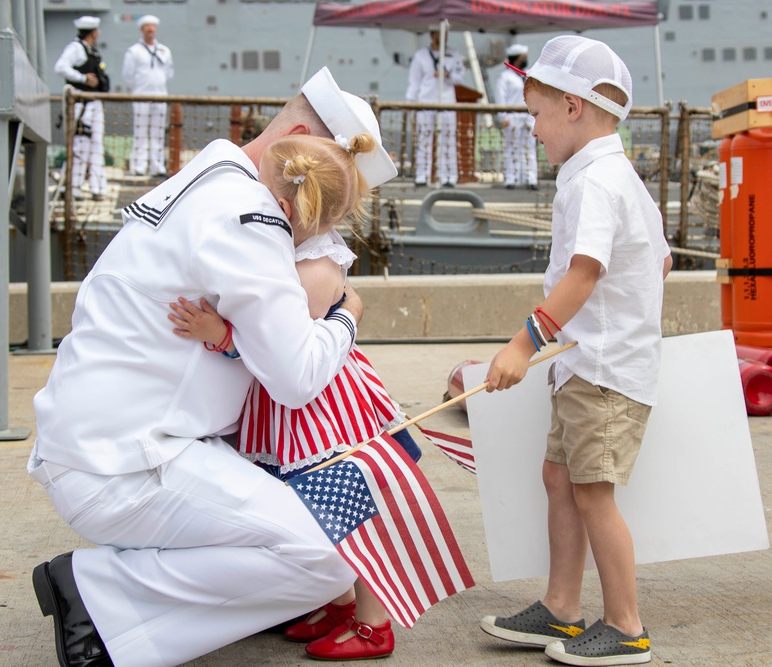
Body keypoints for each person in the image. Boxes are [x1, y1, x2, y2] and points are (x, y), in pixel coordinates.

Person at [28, 66, 398, 667]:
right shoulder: (250, 215)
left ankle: (116, 604)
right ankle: (97, 593)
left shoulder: (213, 173)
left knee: (307, 539)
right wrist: (346, 317)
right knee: (329, 556)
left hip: (103, 444)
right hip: (131, 462)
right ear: (298, 141)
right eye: (321, 200)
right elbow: (297, 377)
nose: (320, 222)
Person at [167, 134, 422, 661]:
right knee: (314, 503)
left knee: (348, 503)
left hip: (324, 410)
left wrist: (222, 336)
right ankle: (337, 601)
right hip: (303, 403)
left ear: (281, 207)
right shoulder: (312, 256)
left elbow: (285, 355)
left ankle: (375, 622)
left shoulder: (312, 271)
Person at [477, 36, 672, 667]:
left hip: (603, 369)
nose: (529, 128)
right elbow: (662, 260)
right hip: (589, 361)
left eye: (533, 113)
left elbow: (585, 271)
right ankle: (562, 609)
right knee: (560, 477)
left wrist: (521, 343)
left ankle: (626, 627)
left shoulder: (593, 181)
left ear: (571, 107)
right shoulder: (617, 174)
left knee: (592, 490)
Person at [54, 16, 110, 201]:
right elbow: (61, 67)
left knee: (96, 145)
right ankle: (74, 188)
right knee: (80, 146)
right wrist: (82, 78)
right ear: (94, 32)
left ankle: (98, 187)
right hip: (81, 104)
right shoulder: (76, 48)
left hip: (94, 102)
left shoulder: (91, 51)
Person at [406, 26, 465, 187]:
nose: (444, 38)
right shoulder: (421, 56)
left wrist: (448, 75)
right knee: (424, 139)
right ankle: (422, 175)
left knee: (448, 138)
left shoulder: (454, 55)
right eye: (441, 34)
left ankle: (448, 176)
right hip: (425, 101)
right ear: (433, 35)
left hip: (446, 101)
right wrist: (410, 102)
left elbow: (460, 78)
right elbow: (414, 82)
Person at [122, 14, 173, 177]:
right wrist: (139, 88)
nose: (150, 29)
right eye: (147, 27)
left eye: (152, 26)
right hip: (141, 96)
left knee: (158, 132)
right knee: (140, 131)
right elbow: (127, 75)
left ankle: (157, 166)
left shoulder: (164, 51)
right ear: (142, 29)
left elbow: (169, 72)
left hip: (160, 95)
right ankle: (139, 165)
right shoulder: (134, 51)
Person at [496, 43, 538, 191]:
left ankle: (531, 178)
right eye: (523, 58)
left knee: (529, 149)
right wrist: (503, 117)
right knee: (511, 148)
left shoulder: (529, 75)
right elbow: (501, 98)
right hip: (512, 117)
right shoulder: (505, 77)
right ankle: (510, 178)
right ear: (517, 59)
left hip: (527, 116)